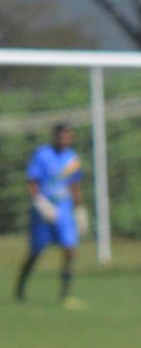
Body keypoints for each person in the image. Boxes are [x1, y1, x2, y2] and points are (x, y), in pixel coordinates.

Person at [16, 123, 84, 307]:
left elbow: (75, 185)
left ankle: (66, 293)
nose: (64, 140)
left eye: (68, 136)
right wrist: (40, 202)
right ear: (55, 136)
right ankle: (20, 286)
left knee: (70, 249)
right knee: (36, 251)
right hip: (44, 211)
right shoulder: (42, 154)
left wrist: (79, 210)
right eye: (61, 136)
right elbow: (32, 181)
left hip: (64, 211)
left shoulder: (72, 159)